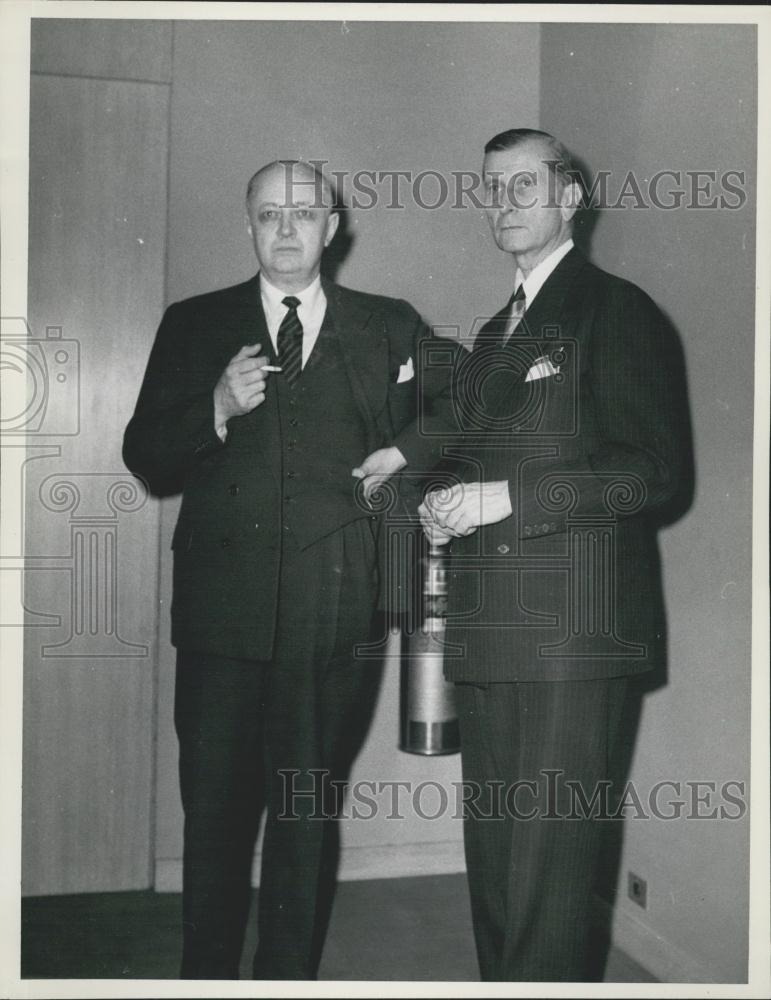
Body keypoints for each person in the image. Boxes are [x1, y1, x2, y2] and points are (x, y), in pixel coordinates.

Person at [123, 160, 452, 980]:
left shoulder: (389, 324)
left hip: (334, 618)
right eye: (268, 213)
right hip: (221, 619)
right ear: (248, 225)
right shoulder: (194, 322)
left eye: (303, 214)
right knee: (214, 822)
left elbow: (469, 404)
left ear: (331, 227)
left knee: (305, 819)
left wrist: (405, 453)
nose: (285, 229)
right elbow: (145, 456)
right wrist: (213, 407)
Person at [418, 129, 687, 981]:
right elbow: (477, 460)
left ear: (569, 198)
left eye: (521, 186)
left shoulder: (616, 309)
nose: (502, 204)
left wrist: (506, 499)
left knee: (550, 883)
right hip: (491, 634)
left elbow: (651, 471)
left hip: (574, 640)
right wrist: (443, 504)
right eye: (490, 189)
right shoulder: (497, 330)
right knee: (497, 875)